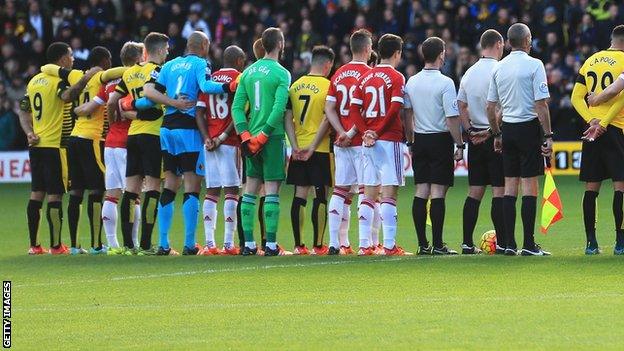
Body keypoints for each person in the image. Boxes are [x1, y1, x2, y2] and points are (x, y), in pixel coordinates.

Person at [133, 31, 236, 255]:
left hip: (167, 128)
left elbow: (148, 95)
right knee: (192, 187)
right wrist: (230, 87)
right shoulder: (201, 63)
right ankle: (189, 245)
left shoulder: (168, 66)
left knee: (170, 184)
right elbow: (207, 87)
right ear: (204, 45)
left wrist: (137, 104)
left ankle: (163, 244)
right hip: (188, 128)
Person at [18, 42, 101, 255]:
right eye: (71, 56)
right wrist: (85, 78)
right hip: (55, 146)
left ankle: (34, 245)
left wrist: (29, 132)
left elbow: (23, 112)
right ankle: (56, 246)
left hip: (36, 145)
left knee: (37, 193)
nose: (73, 59)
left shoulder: (34, 81)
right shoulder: (57, 81)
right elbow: (67, 97)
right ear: (62, 59)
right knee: (55, 195)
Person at [42, 47, 127, 255]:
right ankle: (97, 245)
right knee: (98, 190)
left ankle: (73, 246)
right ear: (105, 60)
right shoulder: (101, 74)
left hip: (73, 138)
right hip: (92, 139)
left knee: (76, 192)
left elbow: (48, 67)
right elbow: (119, 73)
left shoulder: (76, 75)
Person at [486, 23, 553, 256]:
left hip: (509, 130)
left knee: (509, 187)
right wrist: (548, 135)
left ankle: (508, 244)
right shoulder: (535, 65)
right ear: (526, 41)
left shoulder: (499, 67)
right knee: (529, 187)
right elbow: (541, 104)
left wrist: (496, 134)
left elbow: (490, 107)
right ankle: (528, 244)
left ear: (508, 42)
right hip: (528, 129)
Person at [107, 32, 176, 255]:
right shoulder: (158, 70)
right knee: (153, 188)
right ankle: (146, 244)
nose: (167, 52)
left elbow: (114, 101)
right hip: (152, 135)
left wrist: (124, 117)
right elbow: (153, 97)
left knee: (131, 189)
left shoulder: (130, 72)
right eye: (166, 49)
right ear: (157, 49)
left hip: (133, 135)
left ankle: (128, 245)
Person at [72, 41, 145, 255]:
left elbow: (90, 107)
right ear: (139, 58)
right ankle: (134, 243)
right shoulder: (135, 79)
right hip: (128, 141)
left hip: (110, 142)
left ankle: (113, 245)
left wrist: (76, 110)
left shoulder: (109, 83)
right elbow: (127, 107)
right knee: (134, 194)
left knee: (112, 194)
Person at [231, 27, 293, 256]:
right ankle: (270, 244)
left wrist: (246, 135)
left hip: (250, 139)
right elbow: (279, 108)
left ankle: (248, 244)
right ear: (280, 44)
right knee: (272, 190)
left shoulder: (247, 73)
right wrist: (264, 134)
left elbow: (237, 108)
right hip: (272, 137)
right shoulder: (281, 73)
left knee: (250, 189)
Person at [349, 33, 410, 256]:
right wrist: (377, 131)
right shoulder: (397, 77)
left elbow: (354, 109)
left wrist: (365, 132)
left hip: (368, 142)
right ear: (397, 53)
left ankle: (364, 245)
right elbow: (394, 109)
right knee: (389, 193)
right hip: (388, 138)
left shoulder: (364, 78)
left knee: (369, 192)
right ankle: (390, 245)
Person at [404, 36, 464, 255]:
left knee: (421, 190)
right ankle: (438, 244)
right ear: (441, 54)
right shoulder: (445, 83)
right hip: (440, 138)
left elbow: (407, 114)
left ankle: (422, 244)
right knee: (438, 191)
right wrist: (459, 144)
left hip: (420, 138)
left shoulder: (412, 81)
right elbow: (451, 118)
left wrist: (410, 140)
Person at [572, 25, 624, 255]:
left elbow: (576, 97)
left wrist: (591, 119)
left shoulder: (591, 60)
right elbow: (620, 98)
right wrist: (603, 124)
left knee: (591, 188)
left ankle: (591, 243)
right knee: (620, 187)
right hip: (616, 130)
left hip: (591, 131)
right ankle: (620, 243)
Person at [456, 29, 506, 254]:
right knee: (499, 191)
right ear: (498, 44)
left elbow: (461, 106)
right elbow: (502, 105)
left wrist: (470, 131)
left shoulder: (469, 73)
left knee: (474, 191)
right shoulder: (500, 70)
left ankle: (467, 243)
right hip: (495, 137)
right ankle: (504, 242)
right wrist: (491, 131)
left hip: (475, 139)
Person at [325, 29, 372, 255]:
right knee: (366, 191)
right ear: (366, 49)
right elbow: (362, 110)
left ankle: (335, 243)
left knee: (340, 191)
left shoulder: (339, 73)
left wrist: (340, 132)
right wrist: (352, 132)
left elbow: (329, 108)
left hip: (340, 141)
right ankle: (365, 244)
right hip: (360, 141)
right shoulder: (369, 75)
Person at [195, 45, 247, 256]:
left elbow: (199, 112)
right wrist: (222, 137)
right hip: (229, 142)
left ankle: (209, 244)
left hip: (209, 143)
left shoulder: (209, 79)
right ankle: (228, 243)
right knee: (232, 191)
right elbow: (239, 112)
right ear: (239, 61)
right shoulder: (240, 79)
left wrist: (207, 138)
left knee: (212, 191)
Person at [285, 45, 335, 255]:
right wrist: (314, 146)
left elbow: (287, 117)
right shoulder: (328, 86)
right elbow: (327, 119)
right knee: (321, 195)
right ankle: (318, 245)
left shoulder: (295, 86)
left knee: (300, 194)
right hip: (320, 148)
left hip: (298, 148)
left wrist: (295, 146)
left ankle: (298, 245)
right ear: (328, 65)